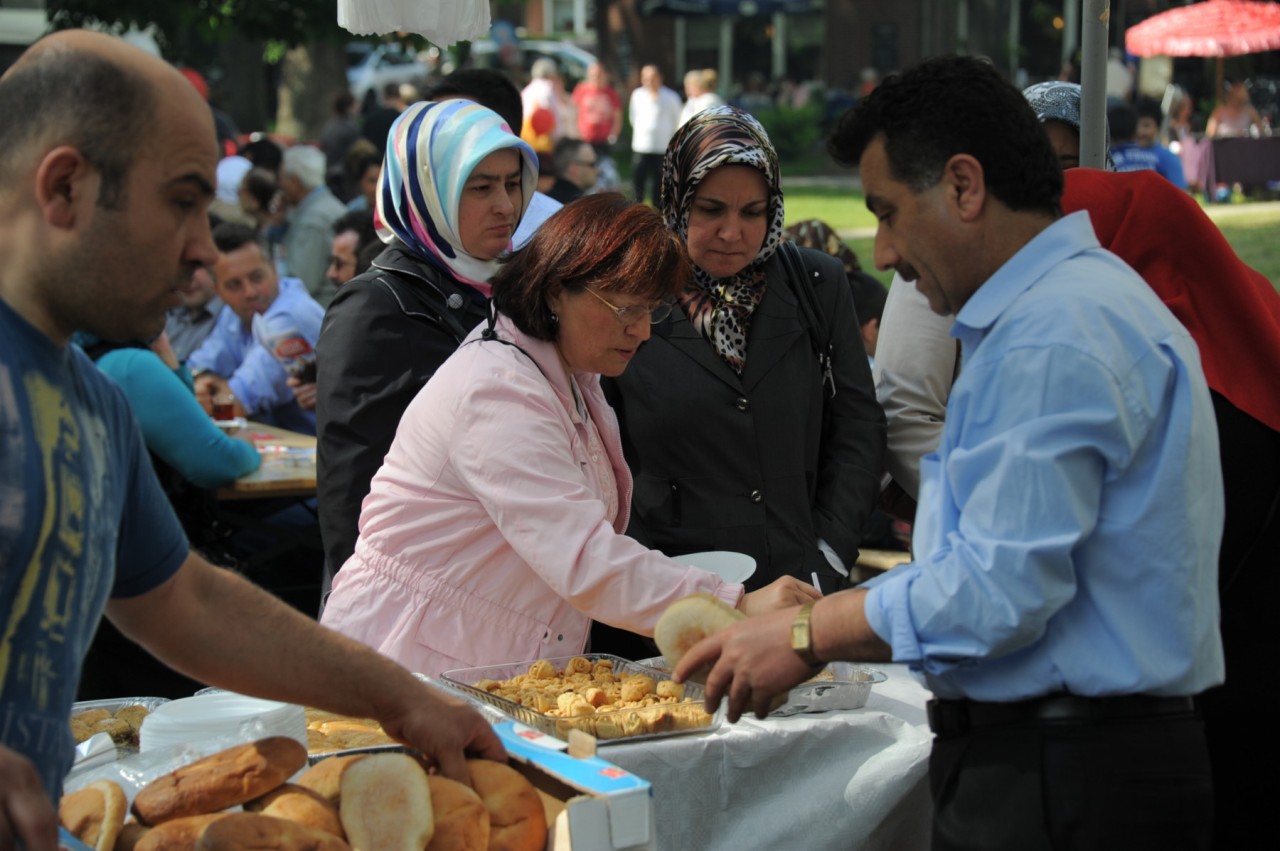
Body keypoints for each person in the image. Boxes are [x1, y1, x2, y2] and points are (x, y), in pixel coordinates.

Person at [677, 56, 1224, 850]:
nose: (887, 252)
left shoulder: (1055, 333)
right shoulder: (1064, 311)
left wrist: (809, 631)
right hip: (1066, 761)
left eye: (890, 213)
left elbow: (996, 588)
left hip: (1066, 773)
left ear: (965, 186)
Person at [0, 30, 503, 851]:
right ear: (65, 187)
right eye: (182, 200)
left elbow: (185, 600)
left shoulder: (95, 407)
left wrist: (401, 694)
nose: (204, 246)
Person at [320, 194, 818, 674]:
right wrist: (733, 603)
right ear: (557, 288)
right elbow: (584, 559)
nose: (642, 331)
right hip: (401, 657)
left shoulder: (567, 373)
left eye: (653, 310)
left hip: (463, 655)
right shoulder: (497, 391)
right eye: (626, 309)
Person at [604, 106, 885, 596]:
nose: (733, 233)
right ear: (677, 200)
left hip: (797, 582)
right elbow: (599, 452)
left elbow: (858, 424)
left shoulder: (817, 285)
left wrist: (831, 551)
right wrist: (644, 576)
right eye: (711, 209)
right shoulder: (629, 291)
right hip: (671, 590)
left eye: (753, 212)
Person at [315, 99, 538, 594]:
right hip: (414, 605)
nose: (505, 205)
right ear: (427, 192)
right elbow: (352, 492)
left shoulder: (517, 288)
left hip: (507, 592)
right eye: (480, 187)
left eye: (512, 182)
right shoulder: (374, 307)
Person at [188, 222, 324, 434]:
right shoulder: (234, 313)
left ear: (274, 269)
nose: (250, 292)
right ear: (217, 291)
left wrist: (208, 385)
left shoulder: (290, 315)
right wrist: (203, 379)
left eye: (257, 277)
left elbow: (234, 406)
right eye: (234, 285)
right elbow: (195, 369)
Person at [421, 69, 562, 249]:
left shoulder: (554, 238)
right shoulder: (411, 230)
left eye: (511, 184)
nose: (505, 208)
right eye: (431, 128)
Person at [277, 145, 347, 307]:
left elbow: (301, 283)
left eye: (281, 178)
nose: (279, 184)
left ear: (295, 182)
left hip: (321, 311)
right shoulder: (323, 206)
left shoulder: (314, 219)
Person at [629, 65, 682, 204]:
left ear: (659, 78)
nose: (648, 82)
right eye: (645, 78)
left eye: (652, 78)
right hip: (641, 145)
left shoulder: (671, 96)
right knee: (638, 178)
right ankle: (636, 205)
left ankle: (658, 208)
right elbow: (633, 117)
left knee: (660, 180)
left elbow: (677, 120)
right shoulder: (637, 95)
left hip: (662, 146)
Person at [1109, 100, 1187, 189]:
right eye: (1136, 125)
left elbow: (1178, 194)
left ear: (1158, 128)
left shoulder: (1169, 159)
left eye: (1146, 126)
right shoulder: (1118, 153)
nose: (1140, 132)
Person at [164, 263, 223, 363]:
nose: (187, 279)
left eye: (194, 267)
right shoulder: (169, 314)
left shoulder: (229, 316)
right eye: (180, 269)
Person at [572, 61, 622, 159]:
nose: (595, 77)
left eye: (599, 75)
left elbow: (617, 118)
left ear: (605, 75)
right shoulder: (581, 90)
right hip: (584, 139)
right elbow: (573, 113)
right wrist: (576, 134)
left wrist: (613, 136)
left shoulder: (611, 93)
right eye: (593, 75)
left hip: (603, 141)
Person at [547, 138, 598, 204]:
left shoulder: (545, 200)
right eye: (592, 164)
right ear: (574, 169)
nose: (597, 170)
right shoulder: (578, 207)